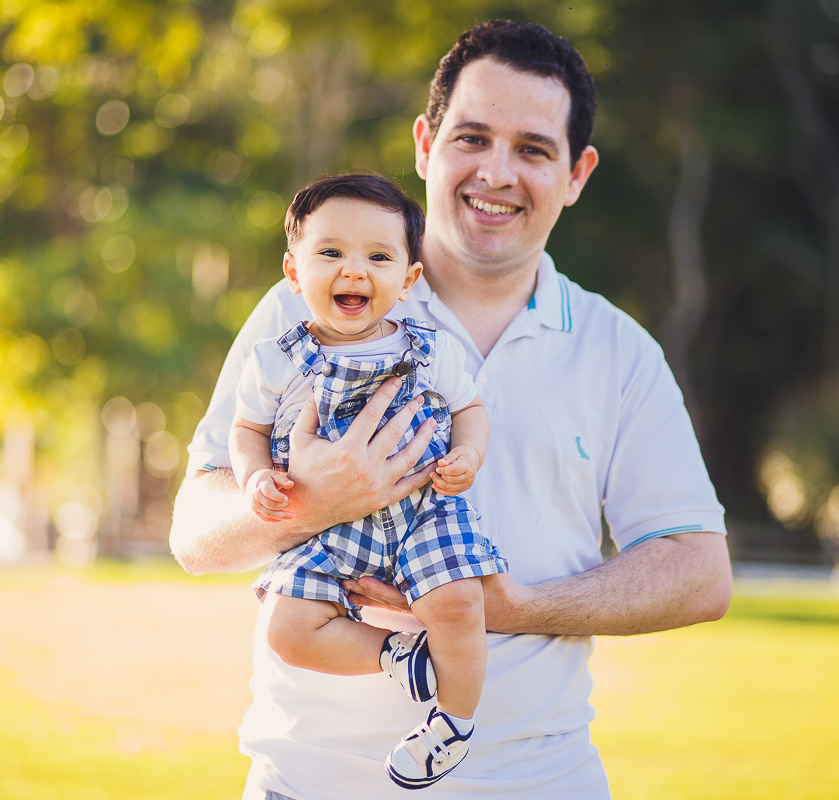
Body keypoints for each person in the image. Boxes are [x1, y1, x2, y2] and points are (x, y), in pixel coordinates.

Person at [172, 19, 732, 800]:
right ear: (425, 144)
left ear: (577, 173)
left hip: (540, 781)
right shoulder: (305, 304)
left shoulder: (617, 350)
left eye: (534, 149)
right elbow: (195, 533)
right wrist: (310, 502)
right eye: (471, 138)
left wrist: (516, 606)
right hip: (310, 781)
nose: (496, 173)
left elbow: (700, 573)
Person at [229, 173, 507, 788]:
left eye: (378, 257)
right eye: (330, 253)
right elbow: (246, 431)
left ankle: (451, 726)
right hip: (327, 524)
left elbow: (470, 410)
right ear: (294, 272)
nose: (354, 271)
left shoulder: (431, 351)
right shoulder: (275, 357)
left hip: (423, 507)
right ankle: (396, 658)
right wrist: (254, 482)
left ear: (408, 280)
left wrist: (470, 456)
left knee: (460, 603)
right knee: (286, 626)